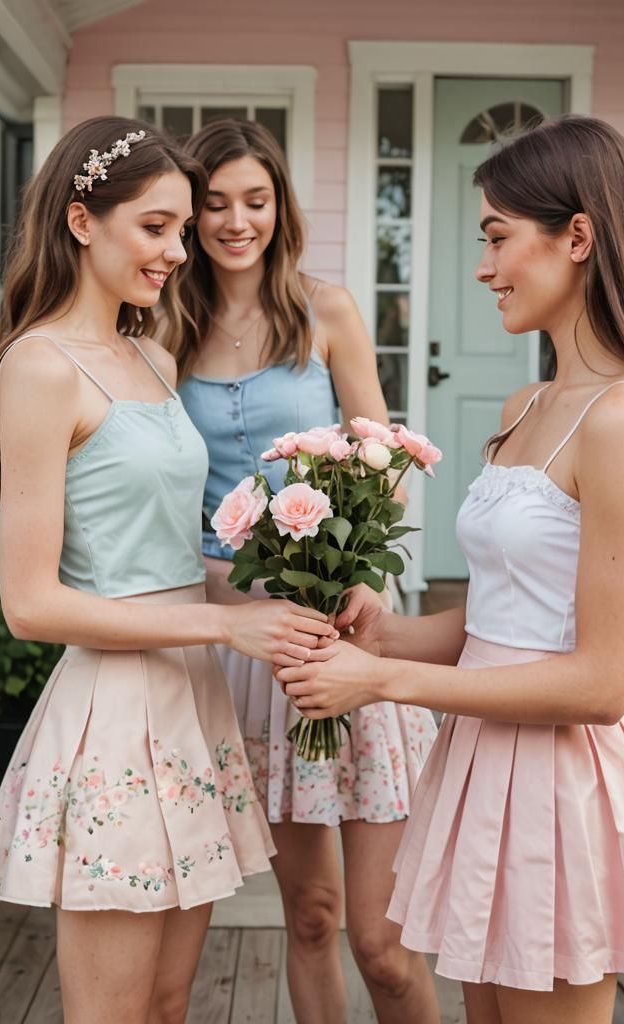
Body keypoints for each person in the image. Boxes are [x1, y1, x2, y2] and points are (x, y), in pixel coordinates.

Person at [277, 114, 624, 1024]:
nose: (483, 268)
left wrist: (382, 681)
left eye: (496, 238)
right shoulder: (529, 402)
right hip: (484, 762)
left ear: (580, 235)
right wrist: (388, 630)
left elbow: (602, 683)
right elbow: (503, 620)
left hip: (559, 784)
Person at [0, 116, 336, 1024]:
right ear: (81, 220)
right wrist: (225, 625)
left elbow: (176, 561)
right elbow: (32, 603)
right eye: (156, 227)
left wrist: (289, 602)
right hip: (112, 717)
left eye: (182, 229)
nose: (179, 250)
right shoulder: (40, 366)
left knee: (168, 1007)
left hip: (190, 704)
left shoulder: (152, 354)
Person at [163, 119, 439, 1024]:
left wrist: (358, 573)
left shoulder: (328, 310)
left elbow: (386, 464)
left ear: (280, 206)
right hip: (243, 635)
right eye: (215, 204)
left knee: (382, 943)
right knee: (311, 916)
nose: (236, 221)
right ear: (192, 215)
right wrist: (216, 592)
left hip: (342, 625)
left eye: (256, 200)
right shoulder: (166, 322)